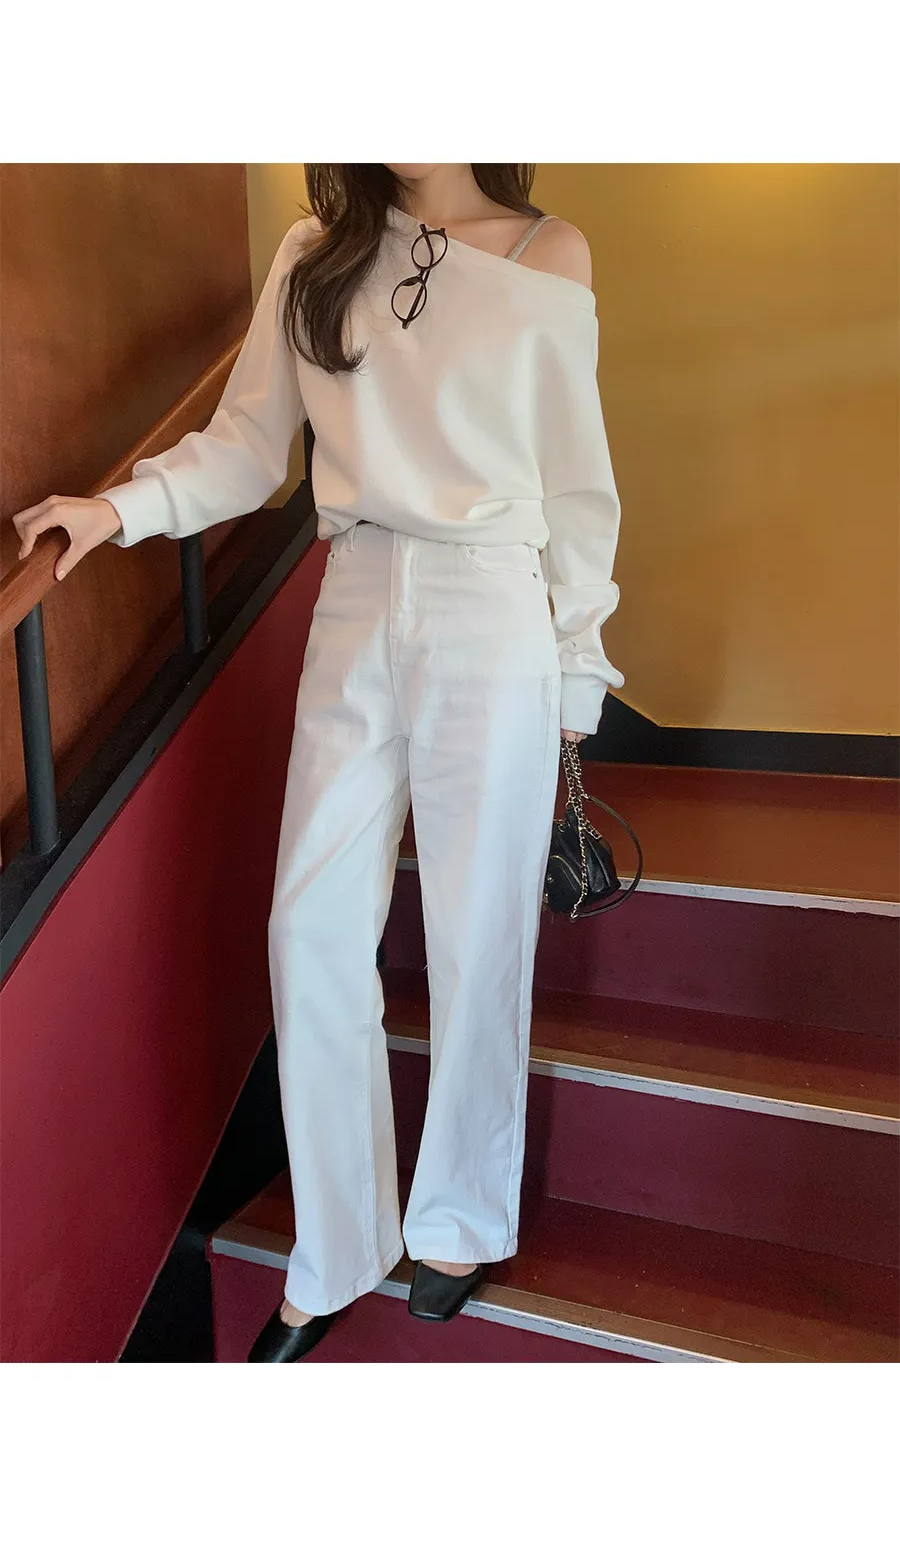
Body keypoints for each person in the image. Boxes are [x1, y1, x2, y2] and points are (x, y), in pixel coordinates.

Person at [13, 163, 625, 1362]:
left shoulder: (549, 253)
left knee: (478, 928)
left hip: (490, 599)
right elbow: (248, 447)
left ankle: (458, 1220)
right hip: (353, 589)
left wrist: (576, 671)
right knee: (308, 928)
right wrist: (116, 511)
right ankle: (337, 1245)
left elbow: (577, 486)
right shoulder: (316, 250)